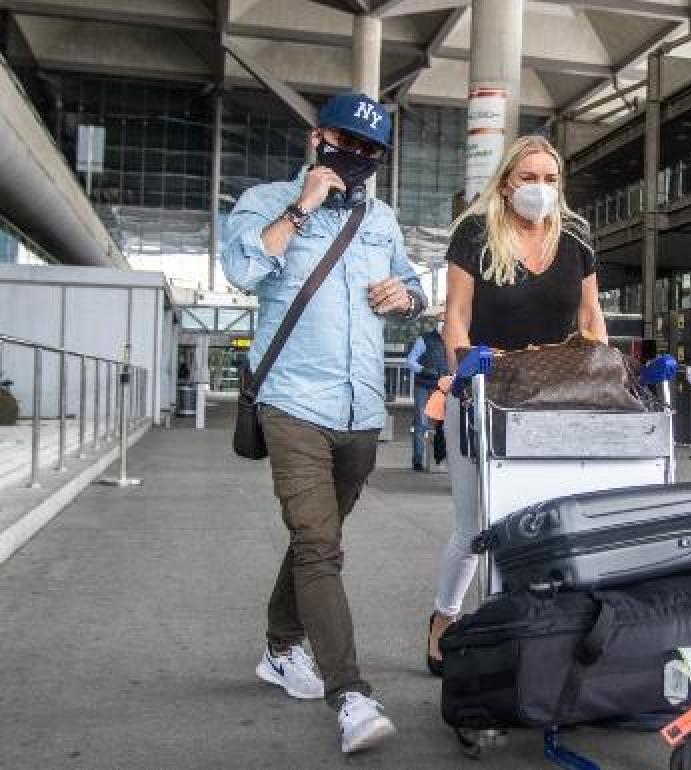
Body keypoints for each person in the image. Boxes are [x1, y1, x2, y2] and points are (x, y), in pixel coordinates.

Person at [221, 91, 425, 755]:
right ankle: (352, 695)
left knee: (318, 536)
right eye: (347, 142)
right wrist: (301, 207)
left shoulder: (382, 218)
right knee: (318, 543)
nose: (357, 157)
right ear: (319, 138)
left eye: (371, 150)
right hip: (292, 405)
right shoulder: (263, 201)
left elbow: (411, 287)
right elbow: (243, 269)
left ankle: (281, 647)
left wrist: (408, 296)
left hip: (362, 409)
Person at [425, 135, 607, 674]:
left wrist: (603, 375)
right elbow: (455, 314)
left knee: (552, 515)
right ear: (507, 184)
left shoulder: (575, 236)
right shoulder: (475, 235)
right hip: (485, 386)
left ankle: (537, 626)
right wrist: (463, 375)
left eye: (550, 180)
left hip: (553, 392)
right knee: (477, 521)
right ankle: (444, 617)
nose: (540, 189)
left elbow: (590, 317)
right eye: (529, 178)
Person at [406, 310, 449, 471]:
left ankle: (440, 459)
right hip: (423, 386)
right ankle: (418, 460)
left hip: (442, 389)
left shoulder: (452, 340)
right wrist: (424, 370)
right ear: (435, 324)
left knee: (443, 425)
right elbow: (410, 361)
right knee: (421, 424)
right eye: (441, 322)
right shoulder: (424, 340)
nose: (443, 325)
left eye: (446, 322)